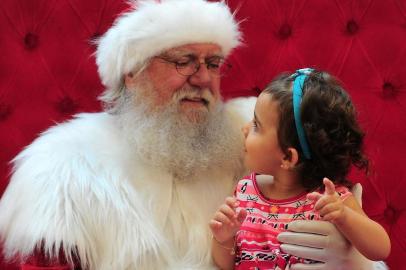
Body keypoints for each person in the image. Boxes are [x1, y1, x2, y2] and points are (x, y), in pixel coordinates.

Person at [0, 0, 385, 269]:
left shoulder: (254, 139)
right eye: (184, 61)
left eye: (213, 63)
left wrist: (352, 260)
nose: (203, 78)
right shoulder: (64, 167)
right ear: (131, 74)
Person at [210, 68, 391, 269]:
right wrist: (224, 239)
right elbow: (227, 265)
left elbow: (380, 249)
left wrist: (344, 216)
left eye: (257, 126)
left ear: (288, 157)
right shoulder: (245, 190)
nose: (245, 128)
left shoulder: (329, 200)